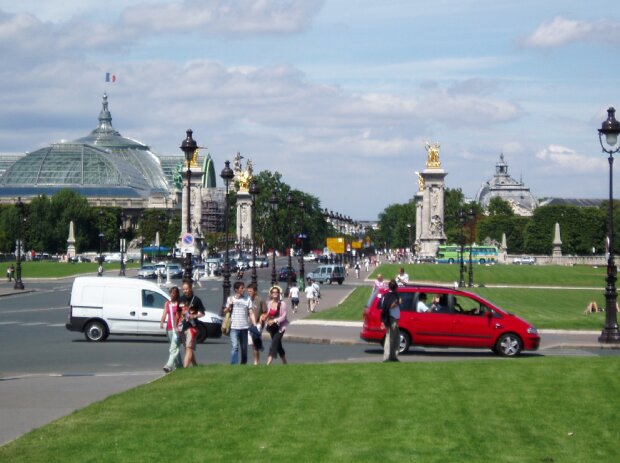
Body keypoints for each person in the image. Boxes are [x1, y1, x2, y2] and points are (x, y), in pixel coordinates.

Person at [224, 281, 257, 365]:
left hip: (244, 327)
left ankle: (243, 364)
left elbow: (251, 312)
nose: (244, 289)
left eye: (243, 287)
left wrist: (254, 324)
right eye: (242, 288)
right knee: (235, 346)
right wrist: (229, 306)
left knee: (244, 348)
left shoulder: (247, 299)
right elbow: (225, 311)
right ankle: (234, 364)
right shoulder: (231, 299)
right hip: (234, 327)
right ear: (236, 290)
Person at [180, 281, 206, 368]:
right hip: (183, 327)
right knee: (187, 348)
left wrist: (194, 315)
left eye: (187, 289)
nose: (185, 291)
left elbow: (202, 313)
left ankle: (184, 368)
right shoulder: (181, 299)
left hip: (192, 326)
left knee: (189, 347)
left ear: (191, 288)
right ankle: (195, 366)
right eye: (183, 289)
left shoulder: (196, 300)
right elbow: (178, 312)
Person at [262, 285, 289, 365]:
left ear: (279, 293)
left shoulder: (282, 304)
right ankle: (285, 363)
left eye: (276, 292)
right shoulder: (269, 303)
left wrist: (274, 320)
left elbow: (284, 316)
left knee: (274, 343)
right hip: (272, 328)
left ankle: (268, 364)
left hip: (280, 328)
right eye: (273, 292)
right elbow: (267, 314)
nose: (275, 293)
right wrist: (265, 319)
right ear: (271, 294)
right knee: (278, 345)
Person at [160, 286, 183, 373]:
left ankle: (168, 365)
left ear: (177, 294)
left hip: (176, 328)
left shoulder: (179, 304)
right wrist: (162, 322)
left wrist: (177, 326)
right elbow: (165, 313)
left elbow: (179, 315)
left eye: (174, 293)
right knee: (175, 347)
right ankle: (180, 366)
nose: (172, 295)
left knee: (173, 347)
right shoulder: (167, 303)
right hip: (169, 327)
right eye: (171, 293)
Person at [380, 279, 401, 362]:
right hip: (392, 319)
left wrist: (383, 321)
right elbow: (391, 306)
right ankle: (388, 357)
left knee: (394, 338)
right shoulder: (394, 296)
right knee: (391, 338)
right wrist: (397, 302)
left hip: (390, 318)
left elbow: (383, 307)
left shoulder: (385, 296)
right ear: (395, 287)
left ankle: (392, 356)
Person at [247, 283, 267, 365]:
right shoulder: (247, 300)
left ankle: (256, 361)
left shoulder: (260, 300)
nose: (249, 293)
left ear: (255, 291)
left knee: (255, 343)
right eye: (248, 291)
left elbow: (265, 312)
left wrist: (262, 318)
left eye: (250, 291)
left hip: (258, 324)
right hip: (249, 325)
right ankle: (257, 358)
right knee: (252, 344)